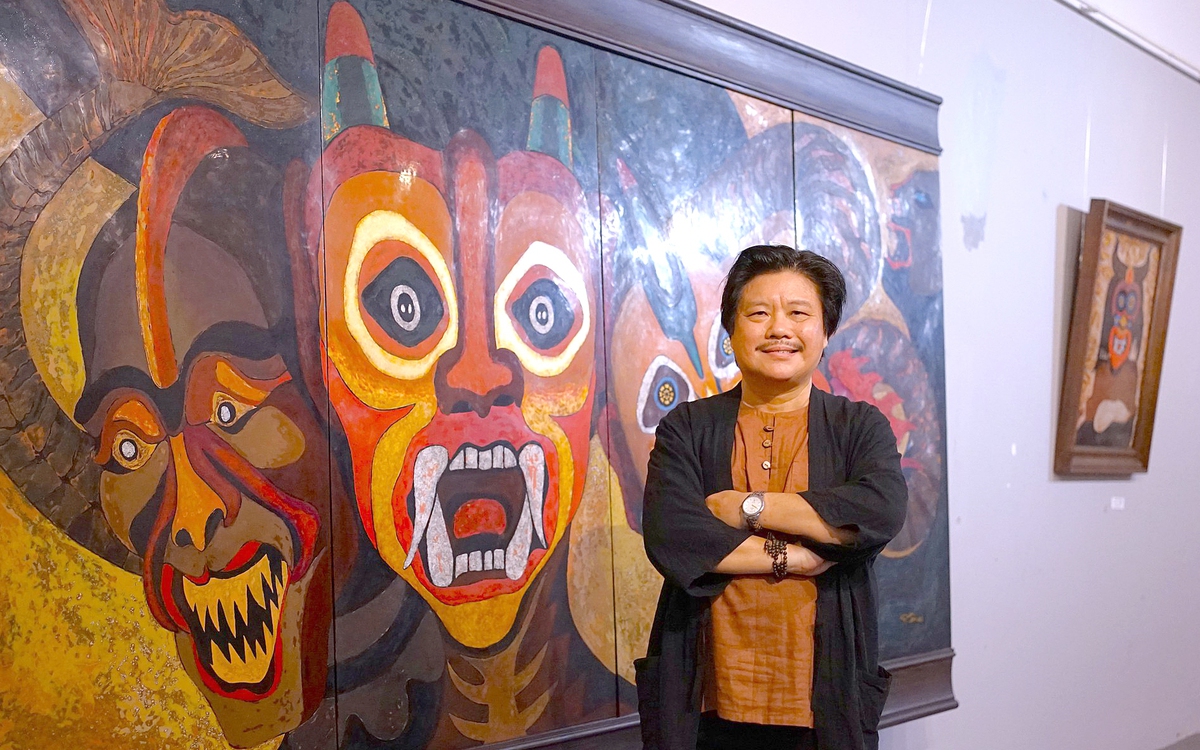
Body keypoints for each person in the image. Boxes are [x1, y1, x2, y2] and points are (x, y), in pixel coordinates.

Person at [636, 245, 908, 750]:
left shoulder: (859, 427)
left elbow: (877, 511)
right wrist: (797, 556)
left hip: (821, 706)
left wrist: (747, 507)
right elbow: (673, 535)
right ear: (731, 330)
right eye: (759, 313)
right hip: (706, 700)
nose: (779, 329)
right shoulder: (687, 428)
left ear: (825, 332)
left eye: (799, 314)